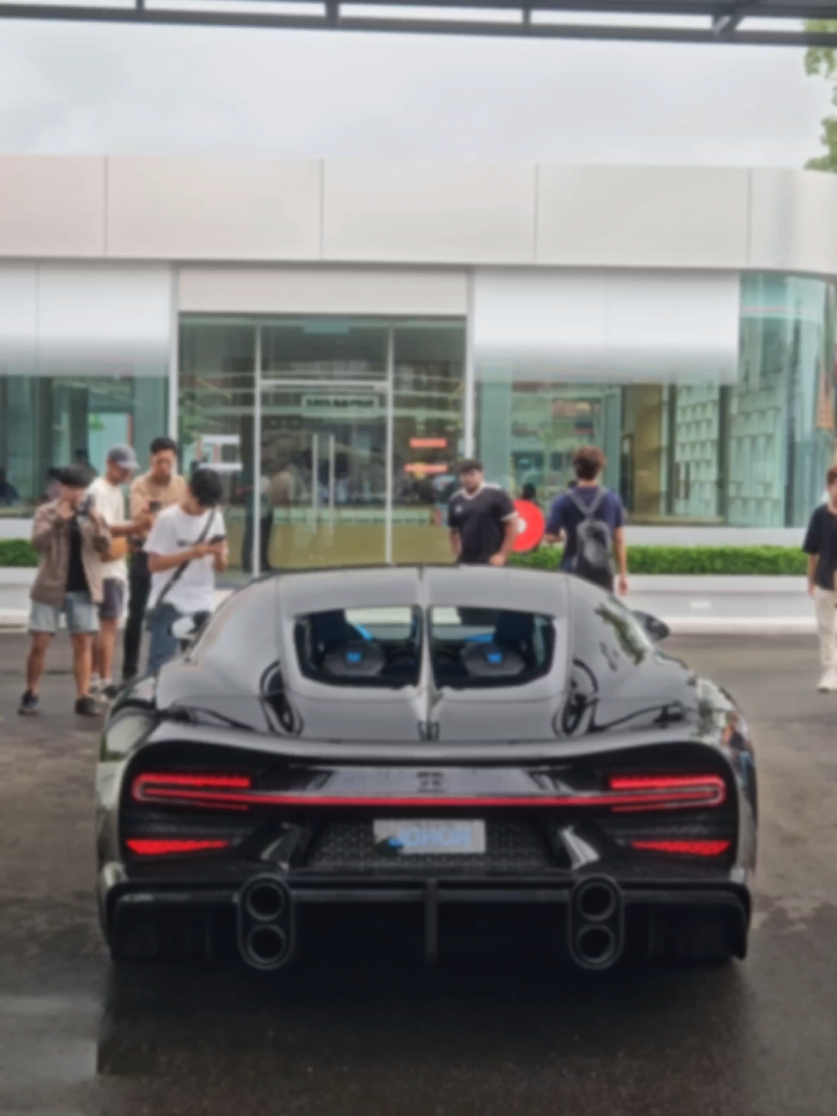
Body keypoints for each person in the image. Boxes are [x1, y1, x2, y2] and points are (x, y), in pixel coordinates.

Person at [19, 465, 112, 717]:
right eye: (74, 489)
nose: (79, 494)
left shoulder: (91, 514)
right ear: (63, 488)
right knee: (40, 641)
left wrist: (97, 523)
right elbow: (38, 543)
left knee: (83, 643)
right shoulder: (46, 512)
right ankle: (31, 692)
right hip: (50, 586)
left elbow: (105, 547)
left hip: (83, 586)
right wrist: (59, 519)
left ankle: (83, 697)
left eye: (82, 489)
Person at [144, 467, 228, 674]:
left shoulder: (214, 518)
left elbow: (222, 567)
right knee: (160, 666)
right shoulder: (168, 519)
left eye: (208, 506)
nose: (203, 510)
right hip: (171, 603)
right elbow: (153, 564)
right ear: (189, 491)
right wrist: (190, 553)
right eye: (201, 504)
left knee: (199, 668)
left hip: (203, 603)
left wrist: (218, 554)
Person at [123, 437, 188, 682]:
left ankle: (184, 668)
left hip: (171, 558)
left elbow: (184, 518)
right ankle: (129, 672)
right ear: (151, 460)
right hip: (144, 554)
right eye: (159, 461)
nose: (164, 466)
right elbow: (140, 519)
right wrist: (159, 519)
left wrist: (157, 517)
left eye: (168, 462)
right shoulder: (139, 484)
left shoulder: (181, 484)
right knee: (136, 613)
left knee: (178, 610)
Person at [87, 445, 150, 700]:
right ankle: (104, 680)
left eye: (129, 468)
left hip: (110, 566)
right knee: (109, 625)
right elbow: (103, 529)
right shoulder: (100, 490)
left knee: (104, 625)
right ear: (110, 463)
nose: (127, 472)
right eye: (123, 467)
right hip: (106, 568)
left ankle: (94, 678)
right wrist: (136, 526)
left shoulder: (111, 489)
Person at [545, 446, 629, 596]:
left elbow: (549, 537)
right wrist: (622, 575)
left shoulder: (563, 500)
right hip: (603, 573)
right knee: (601, 615)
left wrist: (563, 536)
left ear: (575, 470)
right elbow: (619, 539)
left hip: (572, 571)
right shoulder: (612, 499)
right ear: (599, 469)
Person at [803, 465, 837, 692]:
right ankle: (830, 672)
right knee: (826, 629)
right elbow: (812, 552)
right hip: (825, 582)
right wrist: (810, 581)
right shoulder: (820, 515)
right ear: (829, 487)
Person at [448, 459, 517, 567]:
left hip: (492, 560)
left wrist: (502, 555)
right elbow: (454, 531)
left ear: (481, 474)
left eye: (472, 474)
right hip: (466, 562)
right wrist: (458, 553)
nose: (468, 478)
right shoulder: (455, 499)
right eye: (464, 475)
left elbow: (512, 525)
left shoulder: (497, 494)